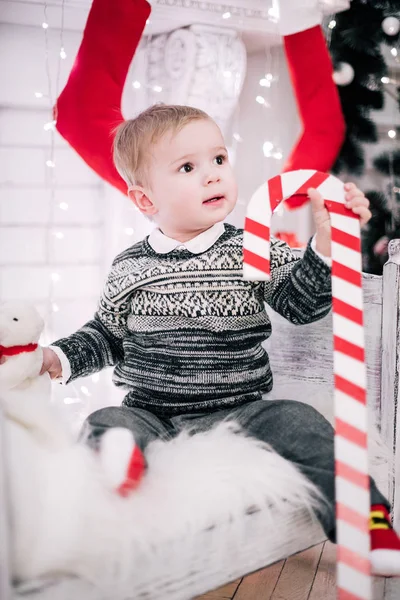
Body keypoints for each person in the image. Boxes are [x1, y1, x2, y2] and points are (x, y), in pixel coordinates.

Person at [41, 104, 400, 576]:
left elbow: (301, 304)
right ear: (146, 200)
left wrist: (324, 249)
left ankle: (366, 521)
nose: (212, 176)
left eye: (218, 159)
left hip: (242, 408)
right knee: (106, 419)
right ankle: (119, 475)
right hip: (154, 410)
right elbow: (107, 335)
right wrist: (57, 356)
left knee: (302, 421)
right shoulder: (130, 267)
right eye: (188, 168)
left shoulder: (251, 245)